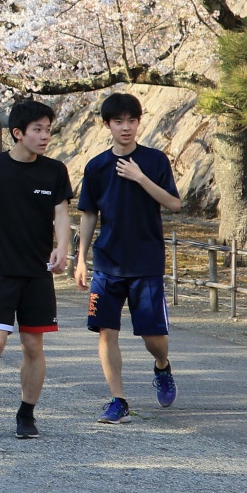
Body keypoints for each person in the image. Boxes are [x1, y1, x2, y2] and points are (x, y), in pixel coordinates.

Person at [0, 99, 73, 441]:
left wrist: (62, 248)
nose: (44, 136)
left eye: (48, 129)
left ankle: (27, 415)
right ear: (18, 133)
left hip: (37, 272)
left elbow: (62, 214)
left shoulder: (54, 170)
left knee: (33, 346)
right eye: (38, 129)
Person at [74, 93, 183, 424]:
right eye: (118, 121)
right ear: (106, 125)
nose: (126, 127)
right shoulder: (96, 167)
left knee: (154, 339)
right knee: (106, 332)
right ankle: (117, 399)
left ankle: (162, 366)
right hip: (107, 262)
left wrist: (139, 177)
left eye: (131, 121)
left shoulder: (154, 161)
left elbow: (174, 204)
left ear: (139, 122)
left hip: (146, 261)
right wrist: (80, 258)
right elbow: (89, 214)